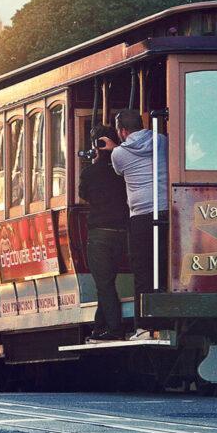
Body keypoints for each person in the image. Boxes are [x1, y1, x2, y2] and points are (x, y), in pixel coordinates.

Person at [102, 109, 169, 304]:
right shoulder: (162, 141)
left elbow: (120, 170)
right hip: (166, 210)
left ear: (122, 131)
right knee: (165, 264)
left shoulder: (118, 154)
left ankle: (145, 325)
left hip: (141, 216)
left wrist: (114, 147)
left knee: (142, 270)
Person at [78, 125, 130, 342]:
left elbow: (83, 195)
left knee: (105, 283)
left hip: (100, 235)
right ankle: (100, 326)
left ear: (96, 145)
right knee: (106, 281)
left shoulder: (90, 172)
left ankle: (115, 329)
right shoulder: (124, 168)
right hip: (122, 233)